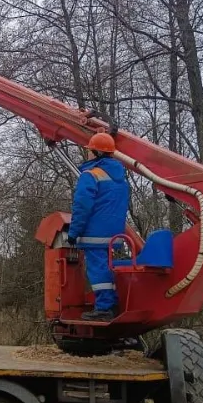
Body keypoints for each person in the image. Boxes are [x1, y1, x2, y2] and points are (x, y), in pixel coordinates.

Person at [66, 132, 130, 322]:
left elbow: (82, 206)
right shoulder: (121, 179)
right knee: (108, 268)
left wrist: (74, 232)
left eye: (90, 150)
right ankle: (112, 304)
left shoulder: (91, 175)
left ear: (97, 153)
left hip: (94, 233)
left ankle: (104, 308)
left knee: (97, 269)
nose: (87, 153)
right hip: (115, 234)